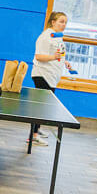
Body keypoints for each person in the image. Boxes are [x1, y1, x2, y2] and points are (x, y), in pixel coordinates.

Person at [29, 11, 72, 147]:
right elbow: (39, 56)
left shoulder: (57, 36)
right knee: (39, 108)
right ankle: (33, 136)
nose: (63, 24)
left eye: (65, 22)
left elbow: (59, 54)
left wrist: (65, 62)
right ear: (53, 22)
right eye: (61, 21)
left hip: (52, 76)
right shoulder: (45, 37)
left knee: (44, 107)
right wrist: (54, 58)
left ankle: (38, 130)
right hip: (42, 74)